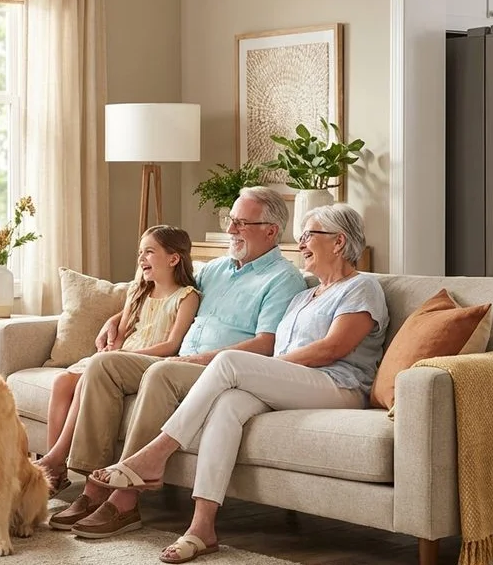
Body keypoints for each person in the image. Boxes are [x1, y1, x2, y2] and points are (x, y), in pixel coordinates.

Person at [87, 203, 387, 563]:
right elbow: (173, 290)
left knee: (229, 362)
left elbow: (332, 349)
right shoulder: (303, 297)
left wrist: (263, 368)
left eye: (309, 235)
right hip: (294, 383)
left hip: (339, 385)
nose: (301, 243)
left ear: (338, 242)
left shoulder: (362, 286)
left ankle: (156, 453)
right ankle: (202, 527)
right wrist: (119, 317)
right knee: (227, 405)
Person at [48, 185, 307, 537]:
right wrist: (116, 319)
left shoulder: (283, 279)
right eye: (230, 220)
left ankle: (125, 500)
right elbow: (164, 291)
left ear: (271, 231)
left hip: (220, 371)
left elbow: (267, 344)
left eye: (241, 223)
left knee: (162, 372)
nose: (231, 229)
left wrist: (202, 358)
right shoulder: (215, 269)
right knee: (102, 365)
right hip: (180, 360)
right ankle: (93, 489)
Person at [34, 225, 199, 495]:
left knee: (83, 381)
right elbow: (121, 333)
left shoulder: (186, 296)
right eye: (140, 252)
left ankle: (54, 459)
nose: (141, 258)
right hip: (119, 357)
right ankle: (57, 468)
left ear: (173, 259)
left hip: (148, 360)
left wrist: (125, 356)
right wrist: (111, 347)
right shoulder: (139, 291)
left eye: (149, 252)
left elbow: (172, 344)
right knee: (62, 381)